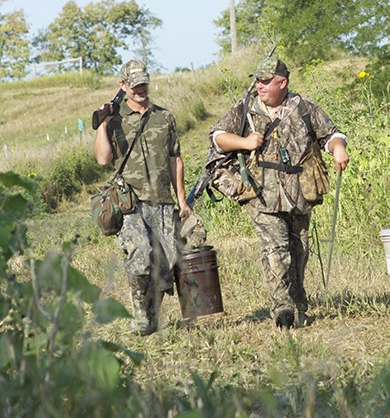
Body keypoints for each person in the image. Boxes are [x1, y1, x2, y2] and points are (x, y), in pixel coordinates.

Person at [210, 56, 349, 329]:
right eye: (257, 81)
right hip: (261, 194)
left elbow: (332, 135)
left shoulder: (305, 107)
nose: (259, 86)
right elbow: (217, 136)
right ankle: (282, 309)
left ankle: (299, 305)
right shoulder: (246, 109)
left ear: (282, 82)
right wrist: (244, 142)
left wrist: (339, 148)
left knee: (299, 251)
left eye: (265, 81)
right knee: (276, 250)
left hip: (300, 194)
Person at [93, 59, 193, 335]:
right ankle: (139, 312)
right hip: (130, 203)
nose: (141, 88)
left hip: (161, 200)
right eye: (134, 84)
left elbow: (175, 160)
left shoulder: (165, 117)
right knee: (140, 253)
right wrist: (102, 125)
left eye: (144, 82)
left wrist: (182, 200)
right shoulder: (114, 120)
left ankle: (152, 314)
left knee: (165, 262)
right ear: (123, 86)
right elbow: (103, 159)